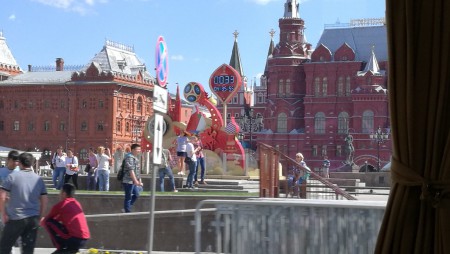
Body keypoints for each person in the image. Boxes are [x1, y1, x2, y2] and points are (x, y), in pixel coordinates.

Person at [0, 152, 48, 254]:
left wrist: (3, 213)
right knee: (28, 250)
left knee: (4, 247)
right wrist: (41, 216)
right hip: (32, 219)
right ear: (32, 163)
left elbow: (2, 196)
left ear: (20, 163)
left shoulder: (12, 177)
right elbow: (44, 199)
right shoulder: (39, 179)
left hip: (15, 218)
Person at [41, 183, 90, 253]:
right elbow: (59, 219)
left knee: (48, 222)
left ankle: (60, 247)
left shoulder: (61, 205)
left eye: (60, 192)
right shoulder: (77, 203)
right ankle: (69, 249)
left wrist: (39, 222)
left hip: (74, 239)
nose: (59, 194)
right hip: (84, 239)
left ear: (64, 193)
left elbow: (47, 219)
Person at [0, 151, 20, 244]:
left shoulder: (19, 173)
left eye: (17, 161)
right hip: (3, 205)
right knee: (5, 229)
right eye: (15, 161)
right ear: (9, 160)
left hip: (16, 206)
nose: (16, 163)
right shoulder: (1, 171)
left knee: (17, 233)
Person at [122, 144, 143, 213]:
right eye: (138, 149)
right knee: (128, 197)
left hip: (133, 181)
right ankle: (127, 211)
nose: (139, 151)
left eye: (140, 149)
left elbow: (137, 170)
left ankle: (127, 207)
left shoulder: (135, 158)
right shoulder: (129, 158)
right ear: (133, 150)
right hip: (128, 181)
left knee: (137, 194)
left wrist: (139, 180)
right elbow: (131, 170)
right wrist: (136, 181)